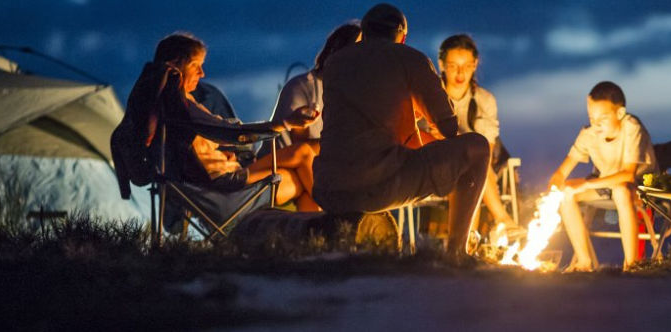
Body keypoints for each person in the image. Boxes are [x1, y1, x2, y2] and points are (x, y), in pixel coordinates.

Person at [312, 3, 490, 258]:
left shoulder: (337, 62)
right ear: (402, 37)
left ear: (364, 32)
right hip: (377, 184)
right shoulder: (411, 59)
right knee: (477, 148)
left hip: (328, 187)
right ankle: (457, 252)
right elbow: (449, 127)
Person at [148, 32, 322, 211]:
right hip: (222, 181)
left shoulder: (160, 103)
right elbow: (231, 133)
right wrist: (287, 123)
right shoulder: (182, 104)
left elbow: (197, 144)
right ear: (175, 67)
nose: (202, 73)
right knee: (303, 153)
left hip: (213, 177)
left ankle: (322, 232)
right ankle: (336, 222)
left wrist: (222, 154)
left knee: (298, 175)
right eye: (195, 66)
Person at [549, 81, 657, 272]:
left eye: (603, 118)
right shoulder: (589, 134)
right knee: (566, 193)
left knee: (621, 191)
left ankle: (631, 265)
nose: (596, 124)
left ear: (620, 113)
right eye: (592, 117)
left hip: (639, 188)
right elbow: (562, 172)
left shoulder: (632, 127)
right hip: (605, 186)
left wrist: (585, 185)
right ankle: (583, 263)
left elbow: (628, 175)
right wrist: (555, 186)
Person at [434, 34, 515, 232]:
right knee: (474, 168)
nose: (460, 73)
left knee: (475, 168)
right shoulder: (431, 96)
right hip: (438, 167)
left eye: (467, 65)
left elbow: (488, 146)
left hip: (478, 168)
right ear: (442, 64)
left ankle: (468, 245)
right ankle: (503, 220)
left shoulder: (484, 100)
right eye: (453, 66)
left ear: (475, 64)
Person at [266, 23, 362, 155]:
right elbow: (300, 148)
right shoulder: (303, 87)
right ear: (336, 49)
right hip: (284, 168)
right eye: (357, 49)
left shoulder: (353, 94)